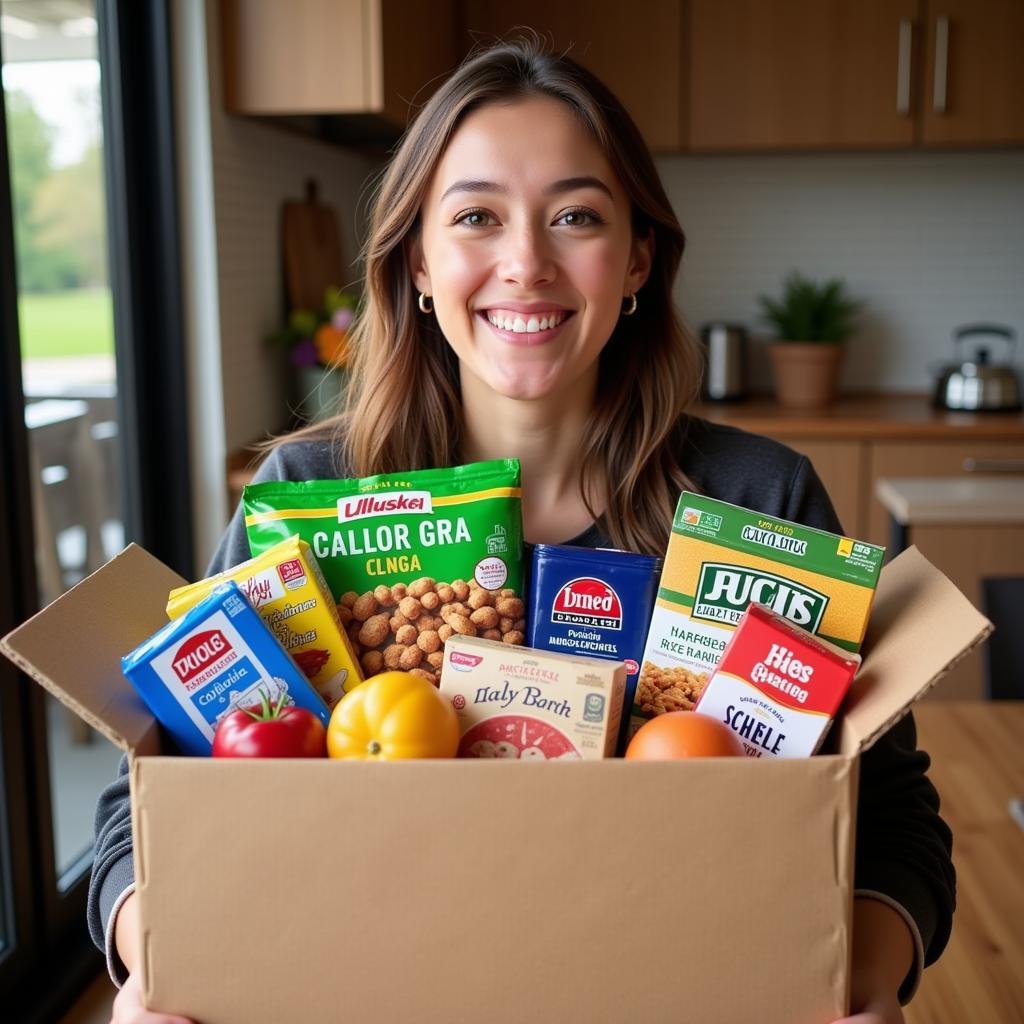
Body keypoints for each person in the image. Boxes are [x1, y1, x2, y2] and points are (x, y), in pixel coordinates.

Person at [96, 39, 953, 1024]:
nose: (526, 263)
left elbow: (888, 818)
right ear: (418, 258)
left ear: (637, 257)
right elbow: (150, 796)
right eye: (475, 217)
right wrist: (151, 968)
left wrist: (867, 985)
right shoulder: (306, 495)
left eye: (575, 216)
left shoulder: (758, 500)